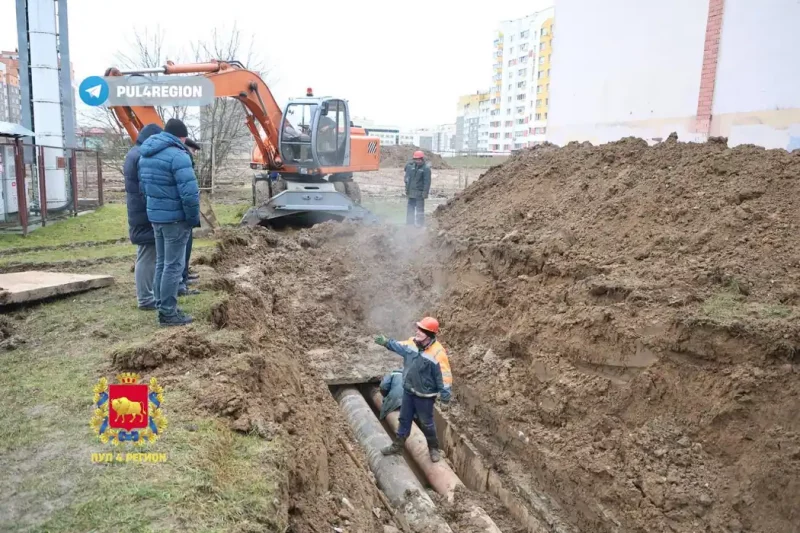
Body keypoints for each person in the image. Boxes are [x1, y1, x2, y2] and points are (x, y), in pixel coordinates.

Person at [138, 118, 200, 327]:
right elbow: (190, 194)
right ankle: (168, 313)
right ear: (181, 137)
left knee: (162, 263)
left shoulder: (146, 155)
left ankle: (161, 304)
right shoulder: (178, 155)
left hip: (156, 217)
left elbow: (144, 189)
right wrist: (192, 218)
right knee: (174, 266)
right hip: (175, 219)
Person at [374, 316, 451, 462]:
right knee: (404, 419)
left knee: (426, 423)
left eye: (421, 330)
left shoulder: (437, 353)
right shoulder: (412, 344)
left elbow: (445, 376)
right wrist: (386, 342)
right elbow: (399, 345)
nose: (418, 331)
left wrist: (445, 397)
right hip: (409, 391)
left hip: (425, 395)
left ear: (429, 334)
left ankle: (433, 449)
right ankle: (397, 446)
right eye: (418, 328)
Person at [122, 123, 163, 310]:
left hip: (139, 211)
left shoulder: (134, 153)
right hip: (144, 212)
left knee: (147, 254)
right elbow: (145, 187)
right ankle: (146, 299)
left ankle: (149, 294)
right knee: (147, 255)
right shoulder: (140, 156)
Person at [179, 138, 202, 296]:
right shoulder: (181, 161)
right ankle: (180, 282)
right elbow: (187, 193)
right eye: (193, 151)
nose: (194, 154)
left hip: (183, 215)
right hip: (180, 216)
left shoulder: (184, 161)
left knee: (185, 249)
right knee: (178, 252)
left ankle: (184, 276)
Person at [403, 151, 432, 227]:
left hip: (419, 194)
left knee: (419, 211)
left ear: (422, 159)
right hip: (411, 193)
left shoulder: (426, 169)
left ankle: (419, 225)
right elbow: (406, 176)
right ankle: (410, 224)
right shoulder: (411, 167)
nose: (417, 161)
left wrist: (425, 193)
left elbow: (427, 182)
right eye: (416, 159)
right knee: (410, 210)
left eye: (419, 159)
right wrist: (407, 190)